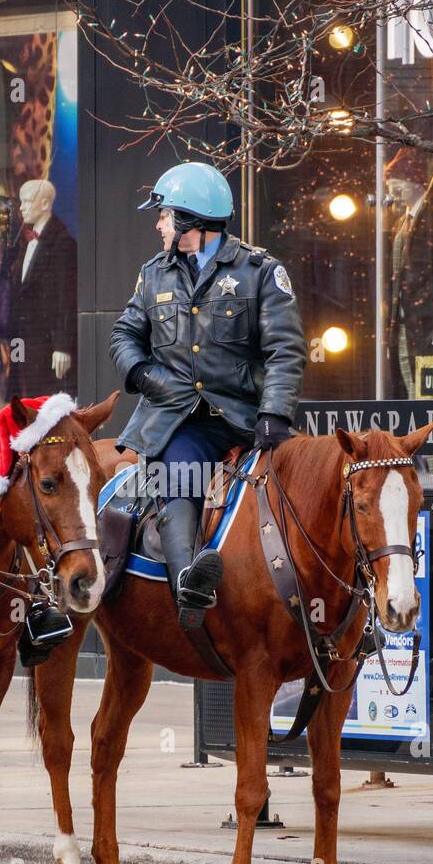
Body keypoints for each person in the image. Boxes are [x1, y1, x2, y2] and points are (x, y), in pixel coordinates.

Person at [109, 161, 307, 631]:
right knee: (178, 477)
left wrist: (274, 413)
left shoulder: (261, 271)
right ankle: (188, 588)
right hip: (181, 422)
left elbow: (285, 349)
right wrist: (144, 375)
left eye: (164, 216)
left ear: (190, 222)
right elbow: (123, 336)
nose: (158, 224)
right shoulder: (153, 274)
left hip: (246, 418)